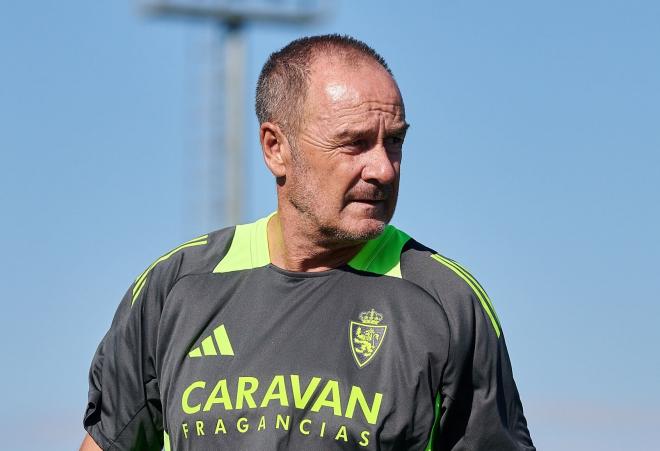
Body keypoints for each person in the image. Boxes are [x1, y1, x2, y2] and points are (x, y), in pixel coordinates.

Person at [80, 34, 535, 450]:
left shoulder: (445, 303)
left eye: (393, 142)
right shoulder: (176, 287)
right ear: (275, 148)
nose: (383, 169)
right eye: (354, 143)